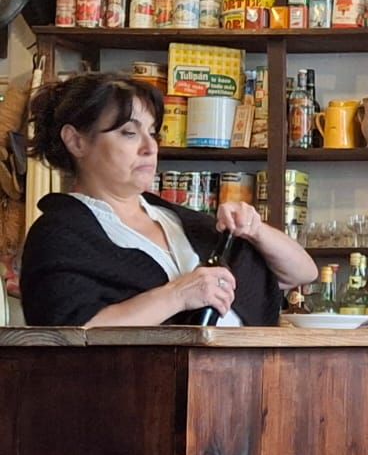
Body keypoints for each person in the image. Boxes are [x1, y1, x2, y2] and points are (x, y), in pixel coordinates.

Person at [20, 71, 316, 326]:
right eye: (128, 133)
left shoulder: (181, 221)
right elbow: (70, 332)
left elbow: (302, 272)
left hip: (238, 382)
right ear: (76, 141)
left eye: (153, 133)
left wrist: (255, 230)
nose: (150, 147)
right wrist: (178, 295)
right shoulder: (59, 234)